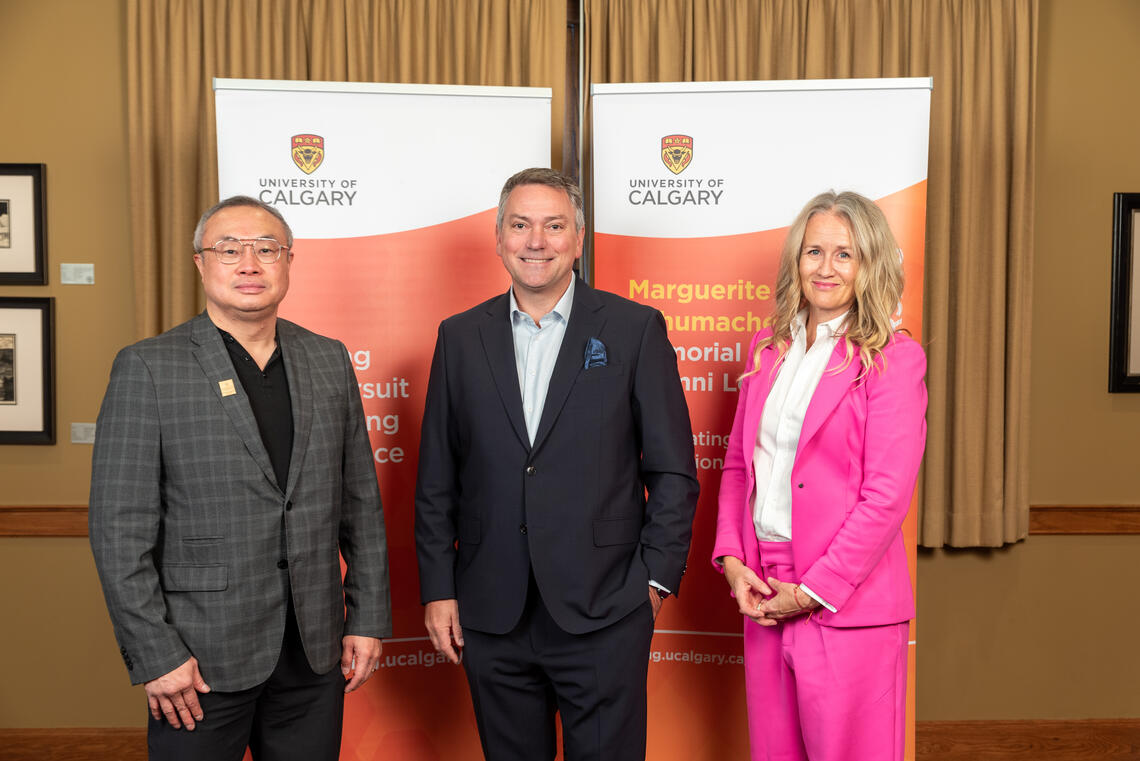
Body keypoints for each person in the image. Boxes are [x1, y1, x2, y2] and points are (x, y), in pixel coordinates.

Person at [89, 195, 391, 761]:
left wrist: (367, 618)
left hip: (314, 651)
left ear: (288, 262)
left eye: (265, 250)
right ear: (201, 264)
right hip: (198, 661)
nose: (249, 264)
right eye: (229, 250)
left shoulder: (328, 359)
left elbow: (361, 509)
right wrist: (156, 653)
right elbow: (118, 532)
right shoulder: (149, 366)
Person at [415, 167, 700, 761]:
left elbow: (672, 471)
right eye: (520, 226)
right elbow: (437, 479)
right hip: (492, 612)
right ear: (499, 237)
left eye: (553, 226)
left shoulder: (633, 329)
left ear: (579, 236)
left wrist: (653, 581)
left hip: (606, 609)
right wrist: (439, 589)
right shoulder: (460, 338)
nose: (536, 241)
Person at [712, 191, 927, 761]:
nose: (825, 268)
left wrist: (811, 593)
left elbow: (885, 498)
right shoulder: (768, 349)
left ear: (870, 265)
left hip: (844, 603)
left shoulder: (891, 360)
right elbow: (739, 466)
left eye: (844, 255)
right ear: (796, 261)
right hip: (763, 591)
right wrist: (734, 563)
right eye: (813, 252)